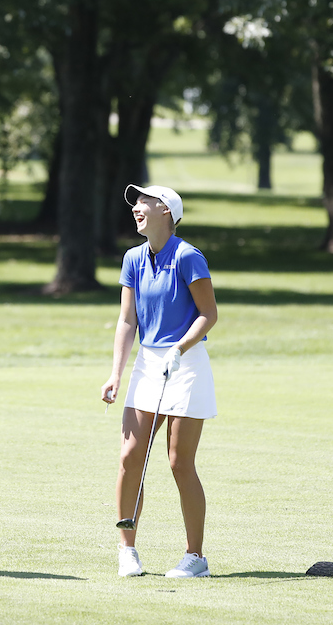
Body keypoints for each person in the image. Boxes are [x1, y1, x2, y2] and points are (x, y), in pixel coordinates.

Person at [101, 183, 218, 579]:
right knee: (130, 457)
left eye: (145, 202)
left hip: (186, 363)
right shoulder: (133, 258)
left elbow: (208, 314)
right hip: (149, 365)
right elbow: (127, 320)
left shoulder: (188, 256)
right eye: (135, 202)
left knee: (179, 462)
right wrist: (116, 373)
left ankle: (195, 557)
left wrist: (179, 349)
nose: (137, 207)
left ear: (166, 211)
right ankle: (127, 550)